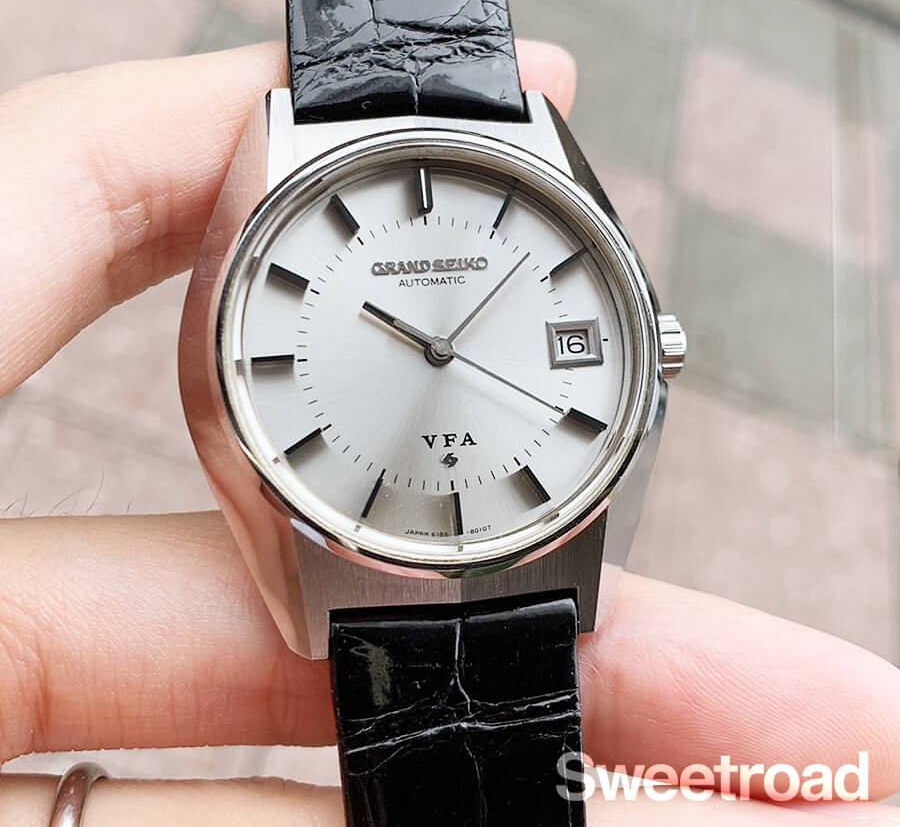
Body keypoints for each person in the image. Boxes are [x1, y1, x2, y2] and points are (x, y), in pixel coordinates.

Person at [0, 41, 898, 825]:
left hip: (522, 556)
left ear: (650, 347)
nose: (440, 347)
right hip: (364, 556)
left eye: (445, 342)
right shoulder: (332, 151)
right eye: (429, 341)